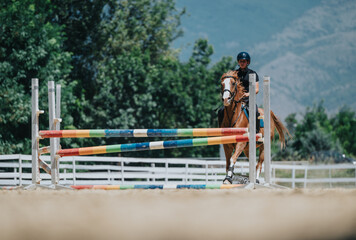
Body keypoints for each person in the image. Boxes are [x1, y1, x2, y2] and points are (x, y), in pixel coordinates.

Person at [218, 51, 260, 132]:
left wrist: (248, 94)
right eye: (240, 61)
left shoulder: (253, 74)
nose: (242, 63)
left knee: (255, 111)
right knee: (221, 110)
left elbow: (257, 89)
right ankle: (220, 131)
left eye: (244, 61)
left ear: (248, 62)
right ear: (238, 62)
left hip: (248, 99)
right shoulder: (235, 74)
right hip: (236, 99)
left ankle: (256, 132)